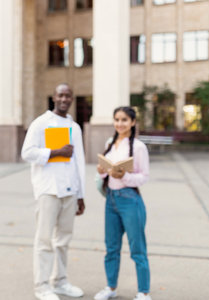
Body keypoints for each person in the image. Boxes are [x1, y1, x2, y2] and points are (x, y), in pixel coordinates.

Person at [21, 83, 86, 300]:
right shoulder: (41, 123)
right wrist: (55, 151)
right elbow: (27, 153)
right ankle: (41, 286)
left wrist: (81, 195)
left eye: (69, 95)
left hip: (70, 191)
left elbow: (80, 162)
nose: (65, 99)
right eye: (61, 95)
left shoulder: (74, 127)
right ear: (54, 97)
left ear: (72, 98)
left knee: (63, 240)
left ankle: (60, 281)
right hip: (48, 190)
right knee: (45, 240)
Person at [94, 106, 151, 300]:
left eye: (124, 120)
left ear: (133, 123)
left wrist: (124, 176)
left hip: (130, 200)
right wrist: (102, 169)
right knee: (111, 248)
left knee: (137, 248)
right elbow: (105, 173)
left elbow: (143, 177)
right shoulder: (111, 142)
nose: (120, 123)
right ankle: (111, 288)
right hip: (111, 200)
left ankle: (143, 292)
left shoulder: (138, 147)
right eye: (117, 119)